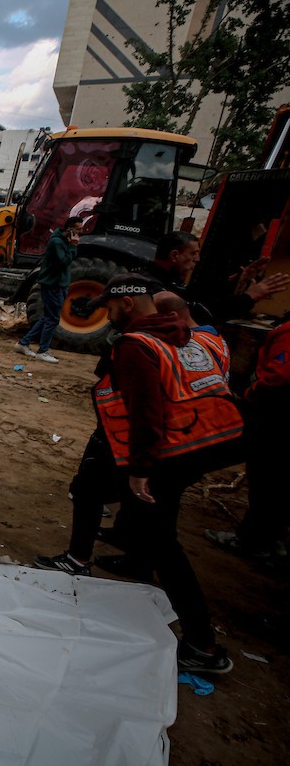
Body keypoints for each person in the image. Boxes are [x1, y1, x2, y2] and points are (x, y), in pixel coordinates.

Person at [64, 273, 240, 673]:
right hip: (196, 445)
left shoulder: (136, 344)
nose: (106, 315)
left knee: (163, 543)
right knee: (94, 489)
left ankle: (202, 647)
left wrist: (140, 470)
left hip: (166, 453)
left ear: (126, 304)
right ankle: (109, 559)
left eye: (109, 307)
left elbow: (146, 411)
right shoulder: (183, 334)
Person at [205, 311, 289, 560]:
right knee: (279, 482)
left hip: (276, 417)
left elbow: (280, 374)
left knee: (267, 479)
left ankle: (252, 541)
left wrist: (252, 392)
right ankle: (273, 541)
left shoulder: (287, 332)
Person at [143, 231, 290, 325]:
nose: (198, 259)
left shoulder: (166, 280)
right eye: (193, 253)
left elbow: (198, 295)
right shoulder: (155, 288)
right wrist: (249, 297)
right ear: (174, 255)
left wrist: (234, 282)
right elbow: (202, 314)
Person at [17, 217, 81, 363]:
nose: (80, 233)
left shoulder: (62, 241)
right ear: (70, 229)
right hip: (53, 285)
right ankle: (43, 350)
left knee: (48, 317)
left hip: (58, 284)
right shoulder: (57, 242)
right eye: (78, 229)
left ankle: (24, 343)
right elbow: (63, 262)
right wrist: (73, 246)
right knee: (52, 319)